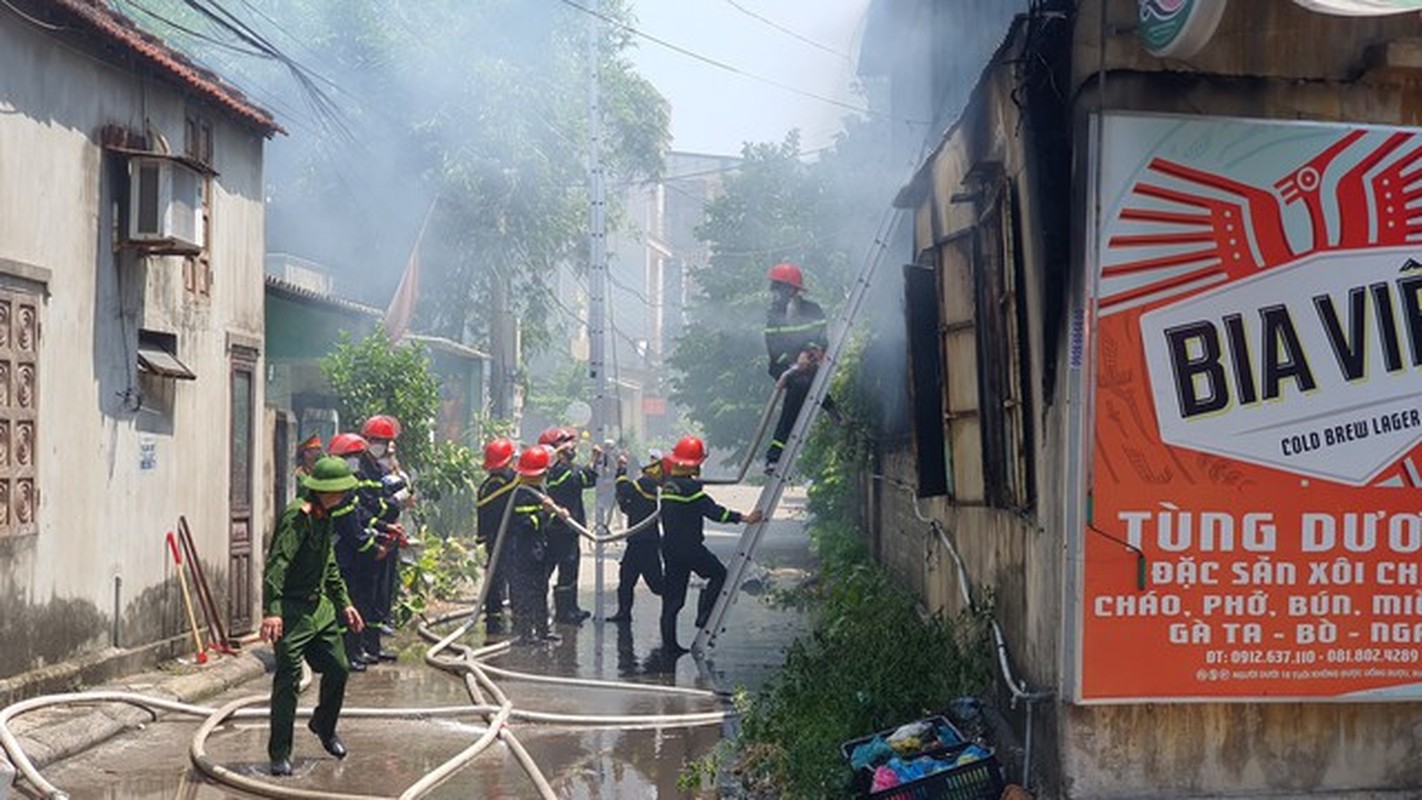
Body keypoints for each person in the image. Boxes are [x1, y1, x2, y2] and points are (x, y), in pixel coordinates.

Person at [261, 456, 365, 777]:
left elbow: (328, 564)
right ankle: (280, 753)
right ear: (322, 490)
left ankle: (323, 724)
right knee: (288, 680)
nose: (342, 496)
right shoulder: (299, 517)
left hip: (319, 610)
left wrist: (344, 603)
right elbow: (278, 563)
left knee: (338, 667)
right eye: (337, 491)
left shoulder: (326, 515)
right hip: (291, 613)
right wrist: (272, 611)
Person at [658, 435, 762, 655]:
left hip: (670, 550)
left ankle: (669, 646)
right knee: (718, 574)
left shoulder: (668, 487)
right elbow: (715, 512)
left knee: (673, 601)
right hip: (691, 549)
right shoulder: (692, 491)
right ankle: (704, 616)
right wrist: (745, 518)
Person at [763, 262, 835, 473]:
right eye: (774, 287)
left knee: (805, 384)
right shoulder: (774, 317)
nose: (775, 292)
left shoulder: (813, 310)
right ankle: (831, 407)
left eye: (779, 287)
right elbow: (775, 351)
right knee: (800, 385)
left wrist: (810, 351)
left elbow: (821, 338)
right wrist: (794, 362)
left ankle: (774, 456)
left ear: (793, 290)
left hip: (811, 363)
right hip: (784, 366)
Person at [326, 433, 381, 672]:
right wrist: (373, 548)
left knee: (358, 605)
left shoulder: (350, 484)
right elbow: (351, 529)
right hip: (342, 559)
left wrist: (382, 529)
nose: (357, 461)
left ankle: (357, 650)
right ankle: (346, 655)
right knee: (345, 609)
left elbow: (360, 516)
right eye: (352, 457)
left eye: (359, 457)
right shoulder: (338, 491)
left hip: (353, 559)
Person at [507, 445, 566, 645]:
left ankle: (542, 631)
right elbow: (524, 524)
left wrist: (557, 514)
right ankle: (525, 634)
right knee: (526, 593)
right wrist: (545, 513)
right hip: (523, 550)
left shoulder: (537, 490)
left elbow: (543, 521)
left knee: (541, 589)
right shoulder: (521, 494)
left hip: (538, 548)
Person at [541, 426, 599, 625]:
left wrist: (594, 461)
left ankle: (570, 609)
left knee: (570, 568)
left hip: (569, 529)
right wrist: (590, 464)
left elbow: (588, 479)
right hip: (558, 529)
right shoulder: (556, 472)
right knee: (560, 569)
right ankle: (558, 613)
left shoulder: (564, 469)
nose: (572, 446)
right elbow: (577, 480)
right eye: (566, 443)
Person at [360, 415, 408, 646]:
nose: (383, 446)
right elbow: (367, 506)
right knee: (367, 593)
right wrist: (390, 508)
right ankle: (363, 647)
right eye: (379, 440)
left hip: (386, 536)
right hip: (371, 538)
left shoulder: (377, 469)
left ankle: (374, 645)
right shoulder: (360, 469)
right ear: (367, 439)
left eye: (385, 441)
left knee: (382, 593)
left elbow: (381, 500)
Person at [607, 450, 666, 623]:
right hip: (638, 540)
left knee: (656, 584)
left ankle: (673, 603)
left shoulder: (646, 483)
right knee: (626, 579)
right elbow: (629, 503)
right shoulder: (648, 486)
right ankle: (623, 614)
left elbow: (624, 488)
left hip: (645, 542)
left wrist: (621, 470)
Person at [476, 437, 518, 634]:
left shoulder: (514, 481)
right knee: (498, 578)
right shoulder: (497, 486)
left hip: (512, 538)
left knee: (506, 577)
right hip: (501, 539)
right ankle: (495, 619)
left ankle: (508, 617)